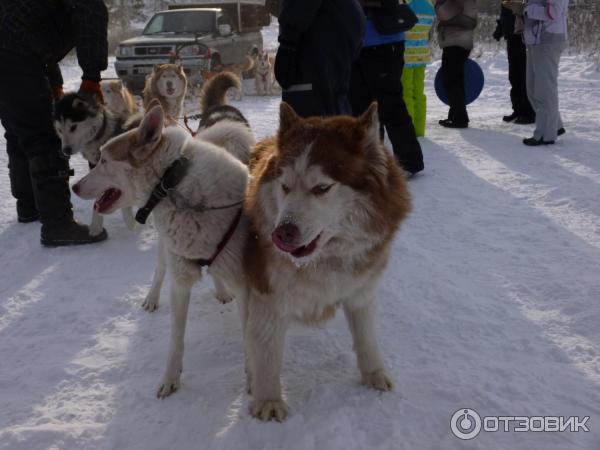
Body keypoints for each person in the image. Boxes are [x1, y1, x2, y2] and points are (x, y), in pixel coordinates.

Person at [0, 0, 109, 246]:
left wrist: (54, 83)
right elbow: (92, 13)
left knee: (19, 131)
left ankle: (29, 206)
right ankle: (58, 224)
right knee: (44, 137)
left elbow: (35, 36)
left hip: (14, 55)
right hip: (17, 56)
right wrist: (92, 78)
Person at [350, 0, 425, 175]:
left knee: (389, 104)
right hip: (357, 44)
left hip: (385, 42)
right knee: (360, 109)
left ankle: (409, 162)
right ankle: (371, 161)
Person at [273, 0, 365, 118]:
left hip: (313, 46)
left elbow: (299, 6)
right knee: (333, 110)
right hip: (337, 37)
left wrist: (288, 42)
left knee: (309, 122)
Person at [505, 0, 569, 146]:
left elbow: (554, 12)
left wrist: (526, 10)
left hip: (548, 40)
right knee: (533, 89)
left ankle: (546, 135)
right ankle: (555, 126)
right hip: (535, 40)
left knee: (544, 90)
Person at [435, 0, 478, 129]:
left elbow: (444, 13)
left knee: (451, 81)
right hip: (461, 40)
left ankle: (459, 118)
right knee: (455, 80)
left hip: (456, 41)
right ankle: (456, 115)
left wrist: (438, 3)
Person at [493, 1, 535, 124]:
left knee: (523, 75)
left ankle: (529, 112)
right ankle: (518, 109)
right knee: (514, 76)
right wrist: (500, 29)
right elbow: (506, 14)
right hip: (511, 37)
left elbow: (525, 12)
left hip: (522, 37)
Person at [401, 0, 436, 137]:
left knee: (406, 92)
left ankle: (408, 129)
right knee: (419, 92)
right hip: (422, 53)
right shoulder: (429, 5)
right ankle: (419, 130)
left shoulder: (406, 3)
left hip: (407, 55)